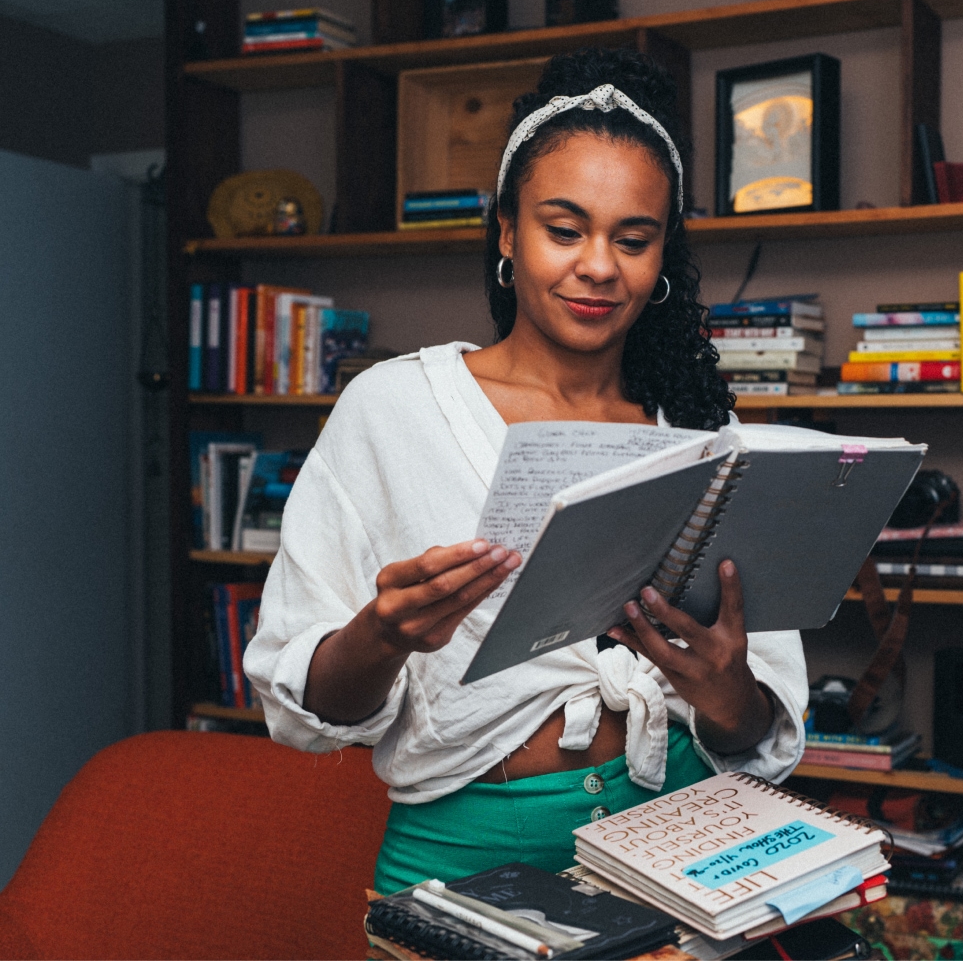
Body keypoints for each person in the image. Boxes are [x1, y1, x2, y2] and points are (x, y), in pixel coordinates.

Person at [243, 48, 808, 894]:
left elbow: (757, 730)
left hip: (683, 832)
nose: (598, 267)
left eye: (634, 237)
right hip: (473, 853)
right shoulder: (395, 409)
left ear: (662, 257)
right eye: (565, 228)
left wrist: (732, 694)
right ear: (507, 230)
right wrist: (384, 634)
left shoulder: (698, 429)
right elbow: (305, 711)